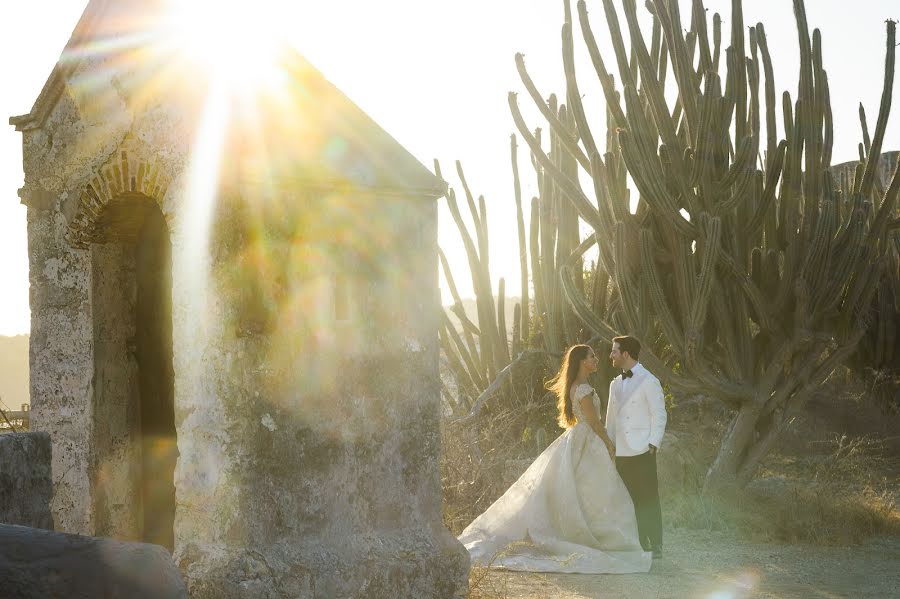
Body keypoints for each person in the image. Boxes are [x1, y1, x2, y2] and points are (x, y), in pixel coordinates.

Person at [457, 344, 651, 573]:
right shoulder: (583, 390)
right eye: (592, 356)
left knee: (586, 491)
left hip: (579, 438)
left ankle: (593, 534)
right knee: (599, 490)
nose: (596, 359)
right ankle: (598, 537)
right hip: (588, 440)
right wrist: (609, 444)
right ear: (581, 361)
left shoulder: (578, 387)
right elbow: (595, 423)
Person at [607, 336, 667, 559]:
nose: (610, 356)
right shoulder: (615, 383)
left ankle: (656, 543)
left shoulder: (649, 380)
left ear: (625, 354)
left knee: (648, 497)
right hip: (621, 451)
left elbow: (659, 414)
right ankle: (638, 543)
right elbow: (610, 419)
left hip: (643, 449)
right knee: (627, 498)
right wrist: (609, 444)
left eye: (614, 351)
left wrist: (653, 443)